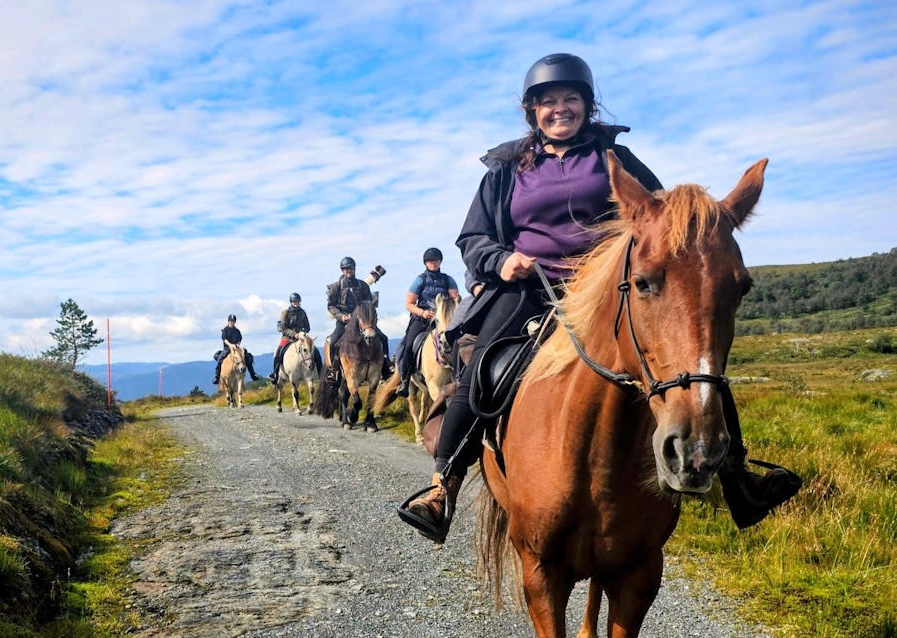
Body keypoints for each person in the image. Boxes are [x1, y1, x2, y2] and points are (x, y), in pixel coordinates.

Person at [399, 53, 801, 543]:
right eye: (548, 102)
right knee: (484, 366)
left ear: (587, 106)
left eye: (571, 99)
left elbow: (661, 222)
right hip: (532, 287)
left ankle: (738, 478)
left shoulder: (616, 159)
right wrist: (503, 260)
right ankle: (445, 484)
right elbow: (473, 237)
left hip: (611, 291)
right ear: (533, 112)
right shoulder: (506, 169)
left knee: (693, 362)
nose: (560, 109)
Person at [395, 247, 460, 397]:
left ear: (440, 261)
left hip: (443, 318)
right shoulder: (420, 280)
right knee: (409, 345)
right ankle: (405, 381)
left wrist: (450, 307)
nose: (433, 263)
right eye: (430, 261)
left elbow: (455, 298)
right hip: (422, 318)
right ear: (426, 263)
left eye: (436, 260)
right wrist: (423, 312)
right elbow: (409, 303)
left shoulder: (448, 279)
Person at [325, 256, 392, 379]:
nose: (348, 271)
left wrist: (368, 317)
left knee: (383, 338)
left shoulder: (363, 285)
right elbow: (331, 306)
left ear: (354, 269)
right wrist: (341, 316)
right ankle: (333, 371)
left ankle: (386, 367)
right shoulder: (335, 287)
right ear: (342, 270)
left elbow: (369, 304)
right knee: (334, 342)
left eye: (350, 268)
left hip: (363, 321)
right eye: (345, 269)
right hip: (344, 321)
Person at [268, 292, 322, 383]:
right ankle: (275, 374)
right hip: (288, 337)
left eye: (297, 302)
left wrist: (302, 332)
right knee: (279, 352)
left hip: (301, 337)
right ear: (291, 302)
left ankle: (321, 373)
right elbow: (283, 328)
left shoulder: (302, 312)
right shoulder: (285, 313)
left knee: (315, 350)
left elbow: (308, 327)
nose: (296, 303)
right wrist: (294, 334)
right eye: (294, 302)